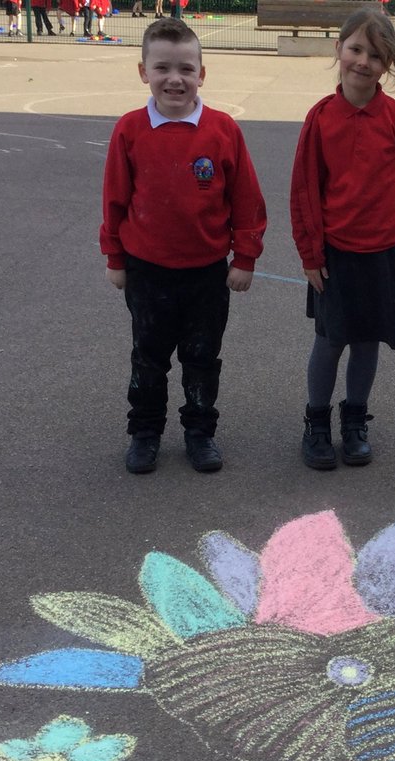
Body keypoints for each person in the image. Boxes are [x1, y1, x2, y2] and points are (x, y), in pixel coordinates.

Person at [100, 17, 267, 474]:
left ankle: (199, 431)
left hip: (206, 272)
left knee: (201, 358)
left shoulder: (222, 130)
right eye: (162, 68)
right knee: (148, 358)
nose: (175, 78)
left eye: (186, 69)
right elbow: (115, 197)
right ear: (143, 72)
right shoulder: (130, 130)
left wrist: (245, 256)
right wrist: (116, 258)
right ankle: (145, 432)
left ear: (202, 73)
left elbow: (246, 199)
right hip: (147, 271)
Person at [290, 7, 395, 470]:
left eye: (375, 54)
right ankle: (316, 422)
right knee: (329, 341)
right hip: (334, 254)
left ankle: (354, 420)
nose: (362, 61)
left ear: (387, 63)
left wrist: (381, 212)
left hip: (382, 250)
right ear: (339, 49)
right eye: (355, 49)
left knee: (368, 341)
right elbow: (304, 190)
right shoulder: (321, 118)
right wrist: (311, 253)